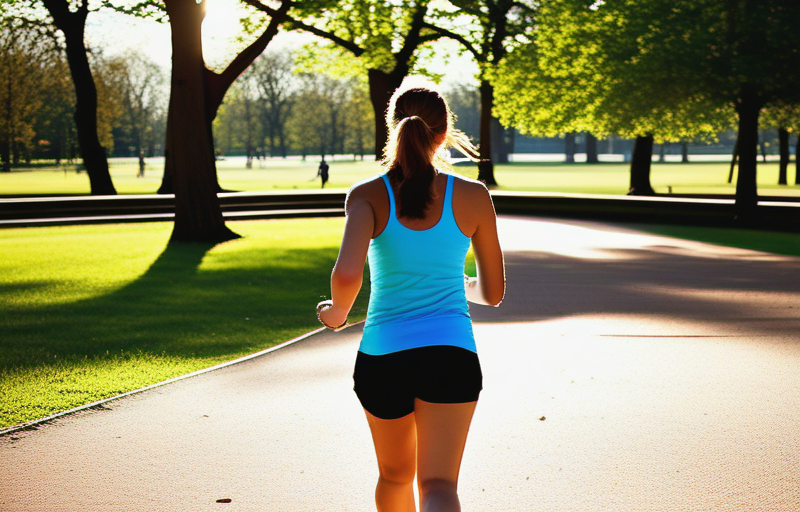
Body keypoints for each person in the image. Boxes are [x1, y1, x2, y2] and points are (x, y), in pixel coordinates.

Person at [317, 85, 505, 512]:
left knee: (394, 475)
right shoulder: (473, 196)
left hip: (383, 357)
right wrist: (458, 284)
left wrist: (336, 314)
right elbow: (492, 293)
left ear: (393, 127)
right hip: (451, 355)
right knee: (439, 483)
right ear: (443, 133)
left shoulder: (366, 194)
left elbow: (348, 273)